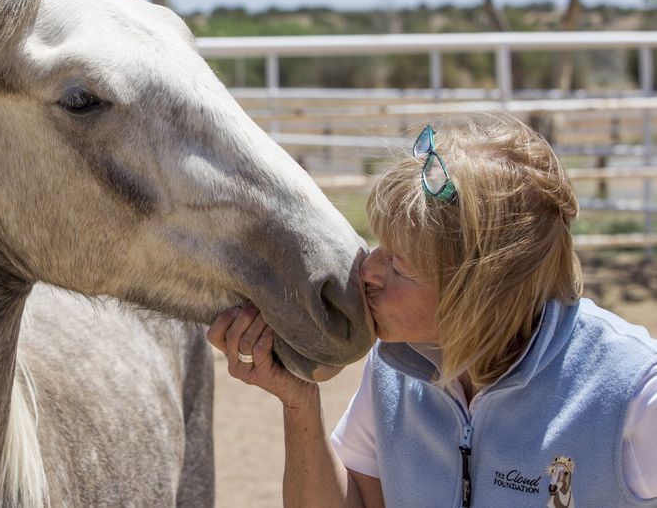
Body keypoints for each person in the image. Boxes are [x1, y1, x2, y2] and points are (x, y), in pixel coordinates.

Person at [208, 114, 657, 507]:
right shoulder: (398, 368)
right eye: (379, 245)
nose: (367, 270)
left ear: (479, 290)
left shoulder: (631, 392)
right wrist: (299, 402)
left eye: (399, 266)